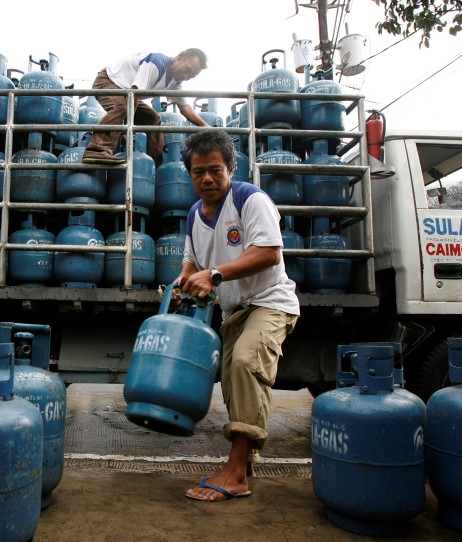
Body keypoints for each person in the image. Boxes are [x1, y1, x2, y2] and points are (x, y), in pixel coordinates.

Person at [176, 130, 300, 502]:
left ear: (231, 168)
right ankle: (245, 467)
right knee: (233, 384)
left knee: (246, 363)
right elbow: (192, 259)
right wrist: (185, 277)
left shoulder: (250, 199)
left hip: (270, 301)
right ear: (190, 175)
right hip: (234, 310)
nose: (207, 179)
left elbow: (268, 253)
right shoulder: (194, 215)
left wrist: (213, 275)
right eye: (198, 172)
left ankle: (236, 472)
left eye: (215, 170)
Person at [81, 50, 210, 167]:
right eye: (187, 70)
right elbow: (135, 94)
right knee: (121, 107)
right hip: (108, 81)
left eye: (190, 76)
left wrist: (205, 127)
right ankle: (97, 149)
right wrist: (127, 129)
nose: (186, 77)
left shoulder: (174, 81)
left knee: (153, 120)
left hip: (126, 93)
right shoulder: (156, 63)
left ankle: (153, 165)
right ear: (181, 56)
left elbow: (185, 107)